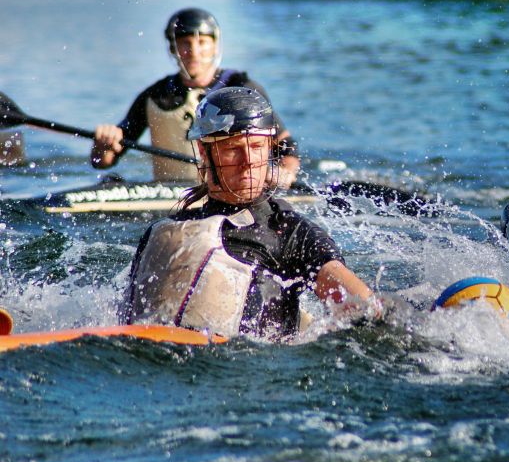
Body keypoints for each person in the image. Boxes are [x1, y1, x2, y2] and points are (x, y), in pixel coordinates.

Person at [119, 87, 378, 338]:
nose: (248, 163)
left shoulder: (288, 230)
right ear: (203, 152)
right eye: (233, 149)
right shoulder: (169, 227)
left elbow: (360, 303)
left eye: (256, 147)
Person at [91, 8, 300, 184]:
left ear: (215, 46)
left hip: (230, 191)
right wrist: (103, 144)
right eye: (185, 43)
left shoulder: (242, 88)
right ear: (173, 49)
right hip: (169, 195)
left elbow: (286, 146)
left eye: (202, 43)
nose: (194, 51)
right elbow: (103, 161)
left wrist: (285, 173)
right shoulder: (155, 95)